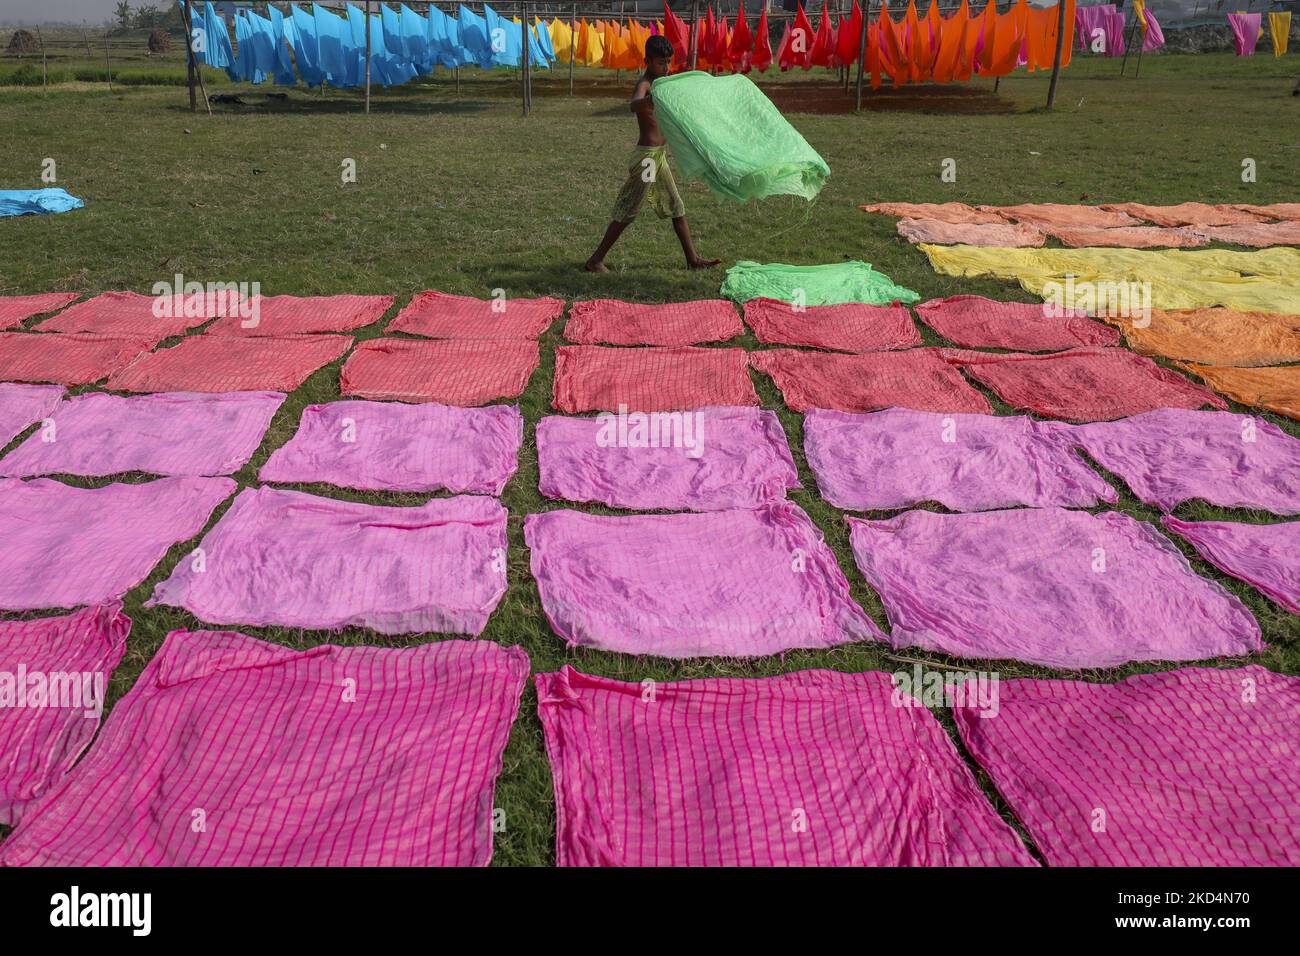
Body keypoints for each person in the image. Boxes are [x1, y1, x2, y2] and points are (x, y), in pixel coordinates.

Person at [585, 35, 721, 273]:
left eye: (668, 62)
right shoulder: (646, 84)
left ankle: (692, 260)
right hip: (647, 159)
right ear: (647, 60)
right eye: (661, 62)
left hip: (658, 157)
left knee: (676, 205)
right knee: (629, 208)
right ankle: (595, 260)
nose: (666, 67)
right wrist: (649, 100)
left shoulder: (664, 84)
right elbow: (634, 104)